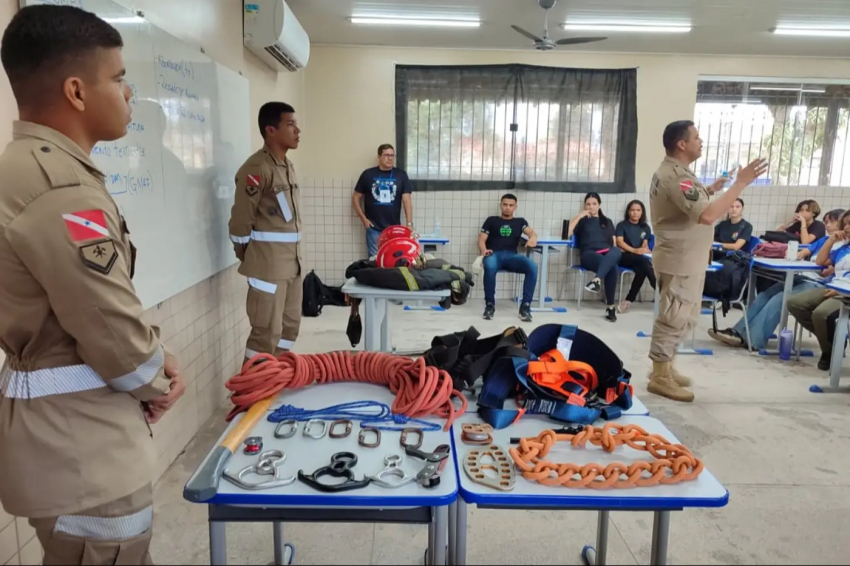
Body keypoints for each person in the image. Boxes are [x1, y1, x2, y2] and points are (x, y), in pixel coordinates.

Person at [0, 5, 185, 564]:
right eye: (120, 77)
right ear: (77, 92)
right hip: (84, 452)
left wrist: (152, 360)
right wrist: (156, 379)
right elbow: (105, 321)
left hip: (66, 441)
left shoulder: (32, 168)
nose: (129, 93)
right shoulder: (60, 189)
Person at [648, 119, 767, 402]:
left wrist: (712, 189)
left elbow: (690, 206)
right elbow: (708, 216)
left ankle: (667, 366)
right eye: (697, 137)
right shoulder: (677, 177)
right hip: (680, 259)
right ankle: (660, 375)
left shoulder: (679, 173)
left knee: (685, 317)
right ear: (681, 143)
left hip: (688, 258)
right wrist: (741, 183)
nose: (701, 142)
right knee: (673, 317)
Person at [709, 208, 846, 353]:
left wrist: (827, 266)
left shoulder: (844, 246)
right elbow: (805, 252)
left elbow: (827, 270)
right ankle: (738, 331)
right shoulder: (825, 240)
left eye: (833, 221)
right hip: (801, 276)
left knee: (779, 299)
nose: (828, 225)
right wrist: (797, 255)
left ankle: (755, 340)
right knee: (765, 295)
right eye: (826, 222)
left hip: (817, 284)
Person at [229, 102, 303, 361]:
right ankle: (251, 392)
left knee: (289, 327)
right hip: (268, 266)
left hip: (292, 266)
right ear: (271, 130)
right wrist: (248, 256)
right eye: (290, 124)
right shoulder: (256, 168)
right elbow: (240, 222)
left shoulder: (286, 165)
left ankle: (274, 379)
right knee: (266, 333)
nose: (297, 130)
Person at [479, 194, 538, 322]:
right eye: (505, 205)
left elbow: (531, 232)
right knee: (489, 266)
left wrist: (533, 238)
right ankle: (490, 305)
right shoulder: (491, 220)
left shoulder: (520, 221)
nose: (507, 208)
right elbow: (481, 239)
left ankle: (525, 306)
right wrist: (483, 250)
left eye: (511, 205)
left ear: (515, 207)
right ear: (501, 205)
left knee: (532, 267)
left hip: (512, 256)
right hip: (494, 254)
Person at [352, 144, 414, 257]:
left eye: (392, 155)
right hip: (374, 228)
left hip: (394, 229)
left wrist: (409, 224)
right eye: (386, 155)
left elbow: (406, 200)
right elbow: (356, 197)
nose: (390, 158)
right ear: (379, 157)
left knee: (394, 259)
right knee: (375, 261)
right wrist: (363, 219)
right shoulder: (368, 174)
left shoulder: (401, 175)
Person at [568, 192, 621, 322]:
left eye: (594, 204)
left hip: (606, 252)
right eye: (588, 204)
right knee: (612, 267)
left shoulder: (607, 222)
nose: (591, 207)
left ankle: (596, 280)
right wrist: (580, 215)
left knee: (616, 252)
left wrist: (612, 252)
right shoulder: (582, 221)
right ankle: (610, 307)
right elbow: (566, 233)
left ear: (599, 205)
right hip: (589, 254)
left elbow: (614, 243)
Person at [614, 199, 656, 314]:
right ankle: (659, 289)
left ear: (642, 212)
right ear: (628, 212)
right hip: (624, 256)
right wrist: (634, 250)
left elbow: (645, 243)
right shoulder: (621, 225)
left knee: (642, 270)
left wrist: (644, 249)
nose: (635, 213)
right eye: (632, 210)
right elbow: (619, 242)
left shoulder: (645, 227)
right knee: (644, 263)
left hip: (638, 259)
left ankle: (627, 301)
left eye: (638, 210)